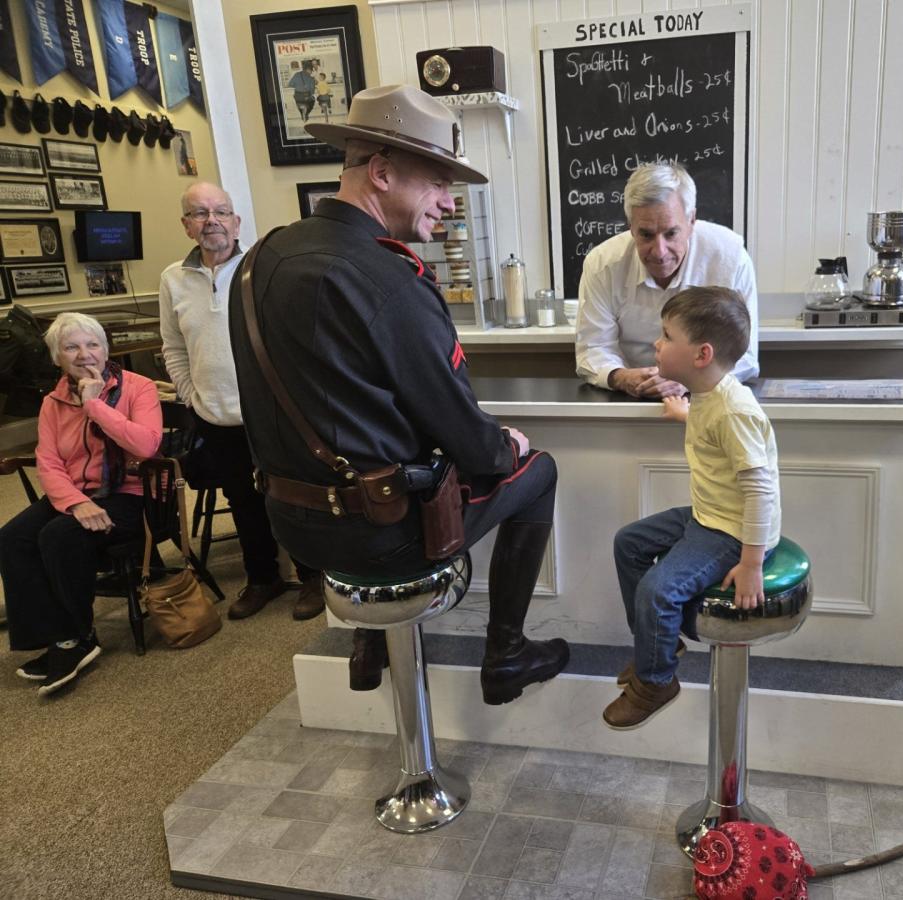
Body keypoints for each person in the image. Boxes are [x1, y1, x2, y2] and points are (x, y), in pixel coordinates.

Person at [227, 84, 570, 703]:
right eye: (438, 182)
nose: (449, 203)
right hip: (385, 535)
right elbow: (467, 440)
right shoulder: (388, 279)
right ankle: (507, 656)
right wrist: (505, 446)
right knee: (536, 472)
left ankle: (371, 641)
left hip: (293, 529)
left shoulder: (258, 261)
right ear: (381, 173)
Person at [603, 286, 780, 729]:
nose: (656, 345)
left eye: (665, 336)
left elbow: (761, 490)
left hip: (733, 531)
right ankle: (658, 646)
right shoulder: (708, 394)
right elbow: (709, 425)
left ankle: (656, 680)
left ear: (701, 354)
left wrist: (752, 562)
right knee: (629, 543)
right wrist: (684, 413)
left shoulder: (734, 411)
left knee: (658, 590)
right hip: (707, 516)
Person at [159, 182, 323, 620]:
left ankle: (312, 577)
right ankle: (262, 579)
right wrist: (190, 396)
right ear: (186, 225)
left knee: (290, 498)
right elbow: (172, 346)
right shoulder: (172, 280)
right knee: (243, 500)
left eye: (220, 211)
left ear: (236, 221)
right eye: (199, 213)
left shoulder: (262, 268)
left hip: (269, 411)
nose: (211, 220)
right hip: (213, 413)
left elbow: (292, 340)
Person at [0, 313, 163, 696]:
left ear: (106, 350)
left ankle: (78, 635)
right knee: (12, 537)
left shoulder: (138, 388)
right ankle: (58, 637)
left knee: (58, 537)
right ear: (57, 357)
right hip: (77, 493)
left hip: (130, 494)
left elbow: (146, 445)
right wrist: (75, 503)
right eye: (71, 347)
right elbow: (49, 462)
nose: (84, 354)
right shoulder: (53, 401)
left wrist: (96, 407)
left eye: (92, 345)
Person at [575, 162, 759, 398]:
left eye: (671, 233)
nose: (660, 251)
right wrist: (621, 377)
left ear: (691, 221)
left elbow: (745, 356)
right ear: (630, 227)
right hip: (628, 396)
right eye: (646, 234)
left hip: (704, 397)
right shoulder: (602, 265)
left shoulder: (730, 259)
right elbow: (593, 348)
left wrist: (688, 383)